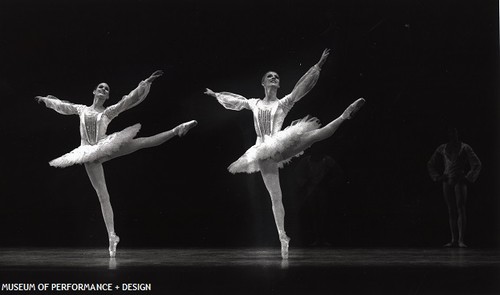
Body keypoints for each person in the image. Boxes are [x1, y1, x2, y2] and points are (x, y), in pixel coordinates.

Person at [205, 49, 365, 259]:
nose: (274, 78)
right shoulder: (254, 102)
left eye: (276, 77)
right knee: (276, 196)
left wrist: (318, 66)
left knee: (316, 135)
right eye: (270, 76)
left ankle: (345, 115)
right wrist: (217, 95)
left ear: (278, 84)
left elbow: (301, 88)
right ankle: (283, 237)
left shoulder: (283, 103)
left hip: (281, 144)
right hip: (262, 151)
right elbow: (236, 102)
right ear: (263, 83)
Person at [36, 70, 197, 257]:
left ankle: (176, 130)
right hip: (88, 153)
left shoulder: (109, 112)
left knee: (142, 142)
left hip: (105, 147)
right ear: (94, 92)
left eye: (107, 88)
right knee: (103, 196)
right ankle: (112, 237)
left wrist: (145, 82)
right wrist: (47, 101)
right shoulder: (81, 109)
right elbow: (64, 105)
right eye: (101, 87)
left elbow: (128, 101)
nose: (104, 89)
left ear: (107, 96)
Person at [427, 127, 481, 248]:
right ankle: (453, 239)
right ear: (448, 135)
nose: (453, 136)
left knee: (460, 208)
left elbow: (477, 163)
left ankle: (461, 240)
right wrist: (438, 177)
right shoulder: (442, 148)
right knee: (451, 210)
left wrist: (468, 177)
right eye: (450, 133)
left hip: (459, 181)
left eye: (455, 133)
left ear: (457, 134)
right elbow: (430, 163)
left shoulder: (465, 147)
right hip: (447, 180)